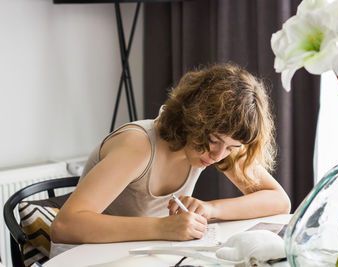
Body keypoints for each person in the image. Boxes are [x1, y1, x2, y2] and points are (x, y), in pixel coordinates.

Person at [50, 63, 290, 248]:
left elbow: (278, 202)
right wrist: (162, 228)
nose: (217, 155)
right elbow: (65, 225)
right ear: (193, 119)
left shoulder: (218, 144)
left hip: (137, 254)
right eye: (214, 141)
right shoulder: (139, 146)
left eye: (231, 147)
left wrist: (210, 209)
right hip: (86, 257)